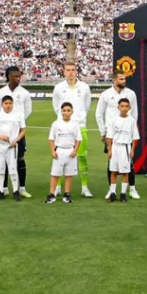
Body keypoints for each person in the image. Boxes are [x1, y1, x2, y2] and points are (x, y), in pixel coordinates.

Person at [52, 62, 93, 197]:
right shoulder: (58, 88)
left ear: (76, 71)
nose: (70, 72)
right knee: (59, 157)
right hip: (62, 128)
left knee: (82, 158)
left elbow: (86, 107)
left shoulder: (84, 87)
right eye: (68, 70)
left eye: (73, 70)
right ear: (63, 72)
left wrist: (77, 120)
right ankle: (57, 187)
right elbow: (56, 107)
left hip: (80, 127)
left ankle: (85, 187)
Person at [96, 68, 138, 198]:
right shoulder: (106, 94)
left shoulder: (131, 94)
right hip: (112, 135)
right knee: (111, 163)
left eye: (124, 79)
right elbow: (98, 114)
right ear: (114, 80)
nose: (124, 81)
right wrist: (103, 131)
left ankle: (132, 189)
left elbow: (134, 114)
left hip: (126, 135)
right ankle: (111, 190)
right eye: (121, 79)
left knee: (129, 163)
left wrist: (132, 132)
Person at [0, 66, 33, 198]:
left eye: (19, 76)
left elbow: (28, 110)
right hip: (3, 134)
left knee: (20, 159)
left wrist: (17, 123)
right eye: (15, 76)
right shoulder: (0, 93)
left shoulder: (25, 93)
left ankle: (21, 188)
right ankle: (4, 188)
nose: (18, 78)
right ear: (8, 77)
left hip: (18, 132)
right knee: (3, 161)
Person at [0, 95, 26, 201]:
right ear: (2, 104)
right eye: (6, 103)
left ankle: (15, 191)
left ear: (13, 104)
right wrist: (1, 137)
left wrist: (17, 140)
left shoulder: (18, 115)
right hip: (0, 146)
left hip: (12, 146)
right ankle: (0, 191)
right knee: (0, 169)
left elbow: (23, 130)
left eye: (10, 103)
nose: (8, 105)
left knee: (13, 169)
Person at [45, 102, 83, 204]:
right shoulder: (56, 124)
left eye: (68, 110)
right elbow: (51, 139)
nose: (66, 113)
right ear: (61, 112)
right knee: (55, 174)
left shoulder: (75, 125)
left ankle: (67, 194)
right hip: (59, 151)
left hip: (70, 151)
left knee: (69, 174)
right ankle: (51, 194)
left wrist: (75, 151)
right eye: (64, 110)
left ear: (72, 112)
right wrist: (53, 151)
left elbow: (78, 139)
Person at [106, 97, 140, 202]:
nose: (124, 108)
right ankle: (112, 193)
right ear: (118, 107)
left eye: (126, 106)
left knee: (125, 172)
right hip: (115, 147)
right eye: (122, 106)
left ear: (129, 107)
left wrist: (132, 149)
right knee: (114, 171)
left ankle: (123, 194)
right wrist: (109, 149)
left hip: (125, 147)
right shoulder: (114, 120)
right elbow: (110, 137)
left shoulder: (132, 121)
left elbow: (134, 137)